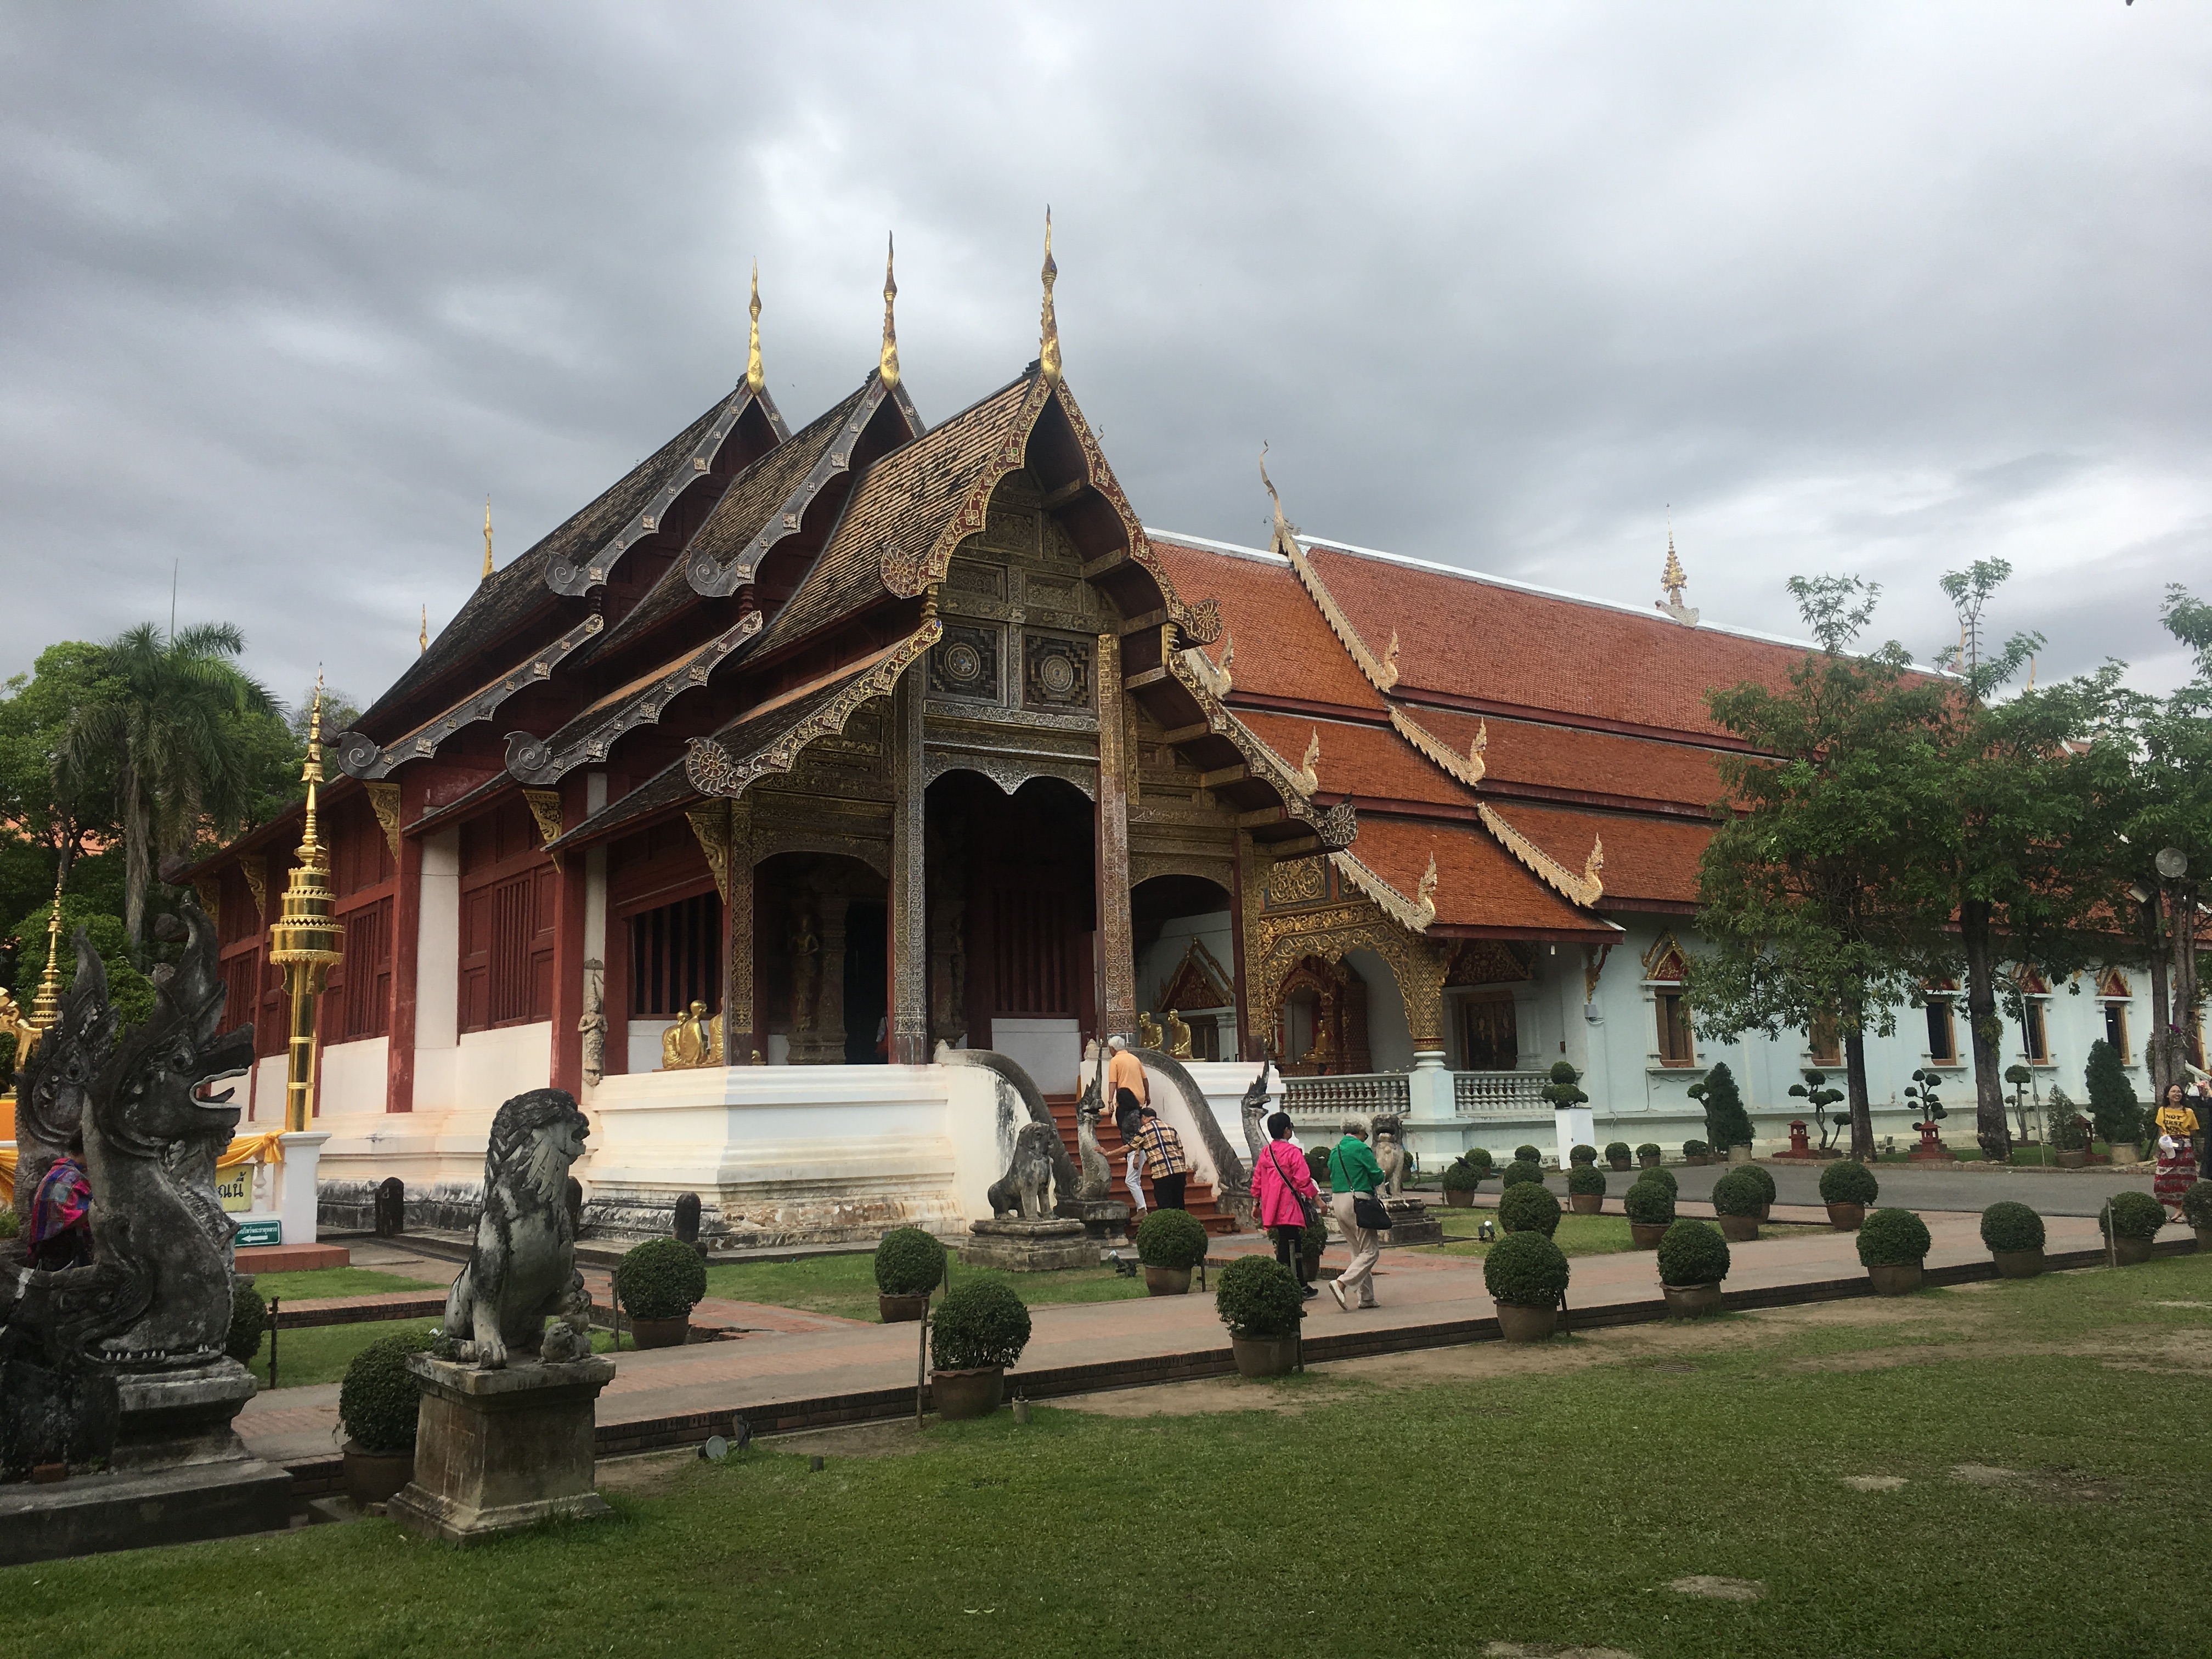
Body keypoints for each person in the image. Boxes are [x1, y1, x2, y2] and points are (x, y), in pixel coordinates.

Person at [1252, 1110, 1321, 1297]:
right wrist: (1318, 1200)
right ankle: (1296, 1285)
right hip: (1290, 1205)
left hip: (1272, 1206)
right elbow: (1303, 1180)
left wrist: (1256, 1203)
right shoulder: (1292, 1152)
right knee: (1293, 1246)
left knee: (1285, 1242)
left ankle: (1293, 1283)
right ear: (1286, 1131)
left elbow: (1258, 1179)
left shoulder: (1266, 1152)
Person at [1325, 1117, 1386, 1311]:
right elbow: (1376, 1175)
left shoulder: (1336, 1150)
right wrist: (1381, 1174)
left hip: (1337, 1200)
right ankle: (1342, 1283)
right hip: (1358, 1200)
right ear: (1361, 1131)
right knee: (1370, 1251)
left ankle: (1367, 1297)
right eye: (1366, 1134)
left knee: (1357, 1251)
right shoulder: (1361, 1149)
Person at [27, 1149, 93, 1272]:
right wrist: (93, 1211)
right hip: (58, 1246)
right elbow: (59, 1218)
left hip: (74, 1242)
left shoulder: (74, 1174)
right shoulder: (64, 1177)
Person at [1107, 1036, 1149, 1217]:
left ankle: (1131, 1153)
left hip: (1125, 1100)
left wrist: (1110, 1100)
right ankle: (1129, 1153)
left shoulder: (1116, 1060)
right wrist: (1148, 1095)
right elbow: (1145, 1079)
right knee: (1131, 1128)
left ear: (1113, 1048)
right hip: (1137, 1099)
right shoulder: (1135, 1059)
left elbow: (1113, 1083)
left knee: (1127, 1128)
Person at [2152, 1081, 2200, 1219]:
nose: (2177, 1094)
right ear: (2167, 1095)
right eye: (2173, 1091)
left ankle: (2184, 1209)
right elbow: (2161, 1129)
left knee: (2185, 1180)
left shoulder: (2188, 1112)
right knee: (2161, 1178)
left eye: (2179, 1092)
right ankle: (2162, 1208)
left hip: (2184, 1148)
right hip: (2168, 1146)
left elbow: (2194, 1131)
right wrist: (2166, 1142)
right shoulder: (2163, 1111)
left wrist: (2183, 1140)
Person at [1131, 1105, 1192, 1211]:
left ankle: (1167, 1227)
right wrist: (1184, 1171)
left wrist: (1108, 1154)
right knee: (1179, 1205)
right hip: (1179, 1171)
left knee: (1165, 1207)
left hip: (1162, 1173)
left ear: (1144, 1117)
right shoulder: (1170, 1127)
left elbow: (1129, 1147)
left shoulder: (1144, 1130)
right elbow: (1181, 1151)